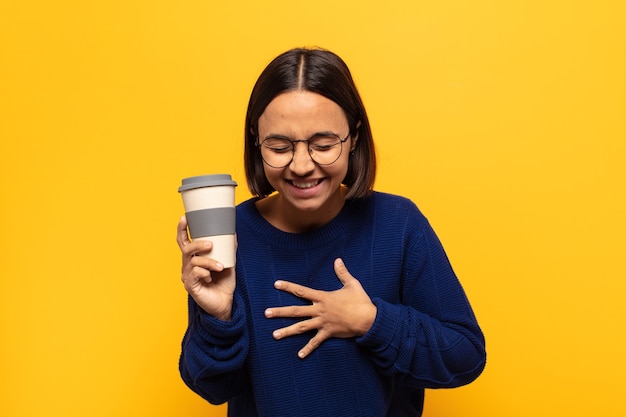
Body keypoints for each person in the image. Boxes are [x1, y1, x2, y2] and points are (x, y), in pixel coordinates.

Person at [176, 47, 486, 417]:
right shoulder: (231, 236)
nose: (302, 165)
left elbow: (465, 357)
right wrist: (218, 315)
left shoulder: (398, 223)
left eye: (323, 145)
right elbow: (211, 387)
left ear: (354, 138)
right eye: (279, 146)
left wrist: (371, 321)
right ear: (256, 142)